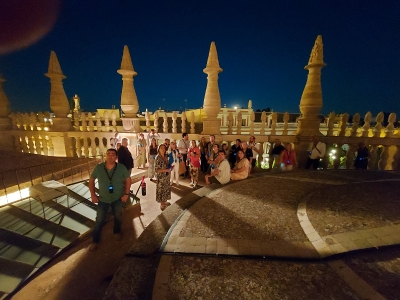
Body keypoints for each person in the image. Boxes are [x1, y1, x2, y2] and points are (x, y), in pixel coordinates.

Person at [88, 148, 132, 251]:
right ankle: (95, 240)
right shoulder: (99, 168)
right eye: (108, 154)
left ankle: (116, 232)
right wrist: (93, 194)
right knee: (99, 220)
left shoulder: (121, 168)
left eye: (113, 154)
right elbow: (91, 180)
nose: (110, 156)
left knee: (118, 216)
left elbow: (128, 180)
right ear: (105, 156)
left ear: (116, 157)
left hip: (117, 197)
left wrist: (126, 193)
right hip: (103, 199)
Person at [155, 144, 172, 211]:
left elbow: (167, 165)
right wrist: (166, 170)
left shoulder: (165, 156)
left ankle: (164, 201)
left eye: (164, 148)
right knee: (161, 190)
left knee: (166, 189)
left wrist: (170, 168)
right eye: (161, 148)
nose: (163, 149)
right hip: (161, 177)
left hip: (166, 176)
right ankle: (162, 204)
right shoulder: (157, 158)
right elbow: (157, 170)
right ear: (159, 149)